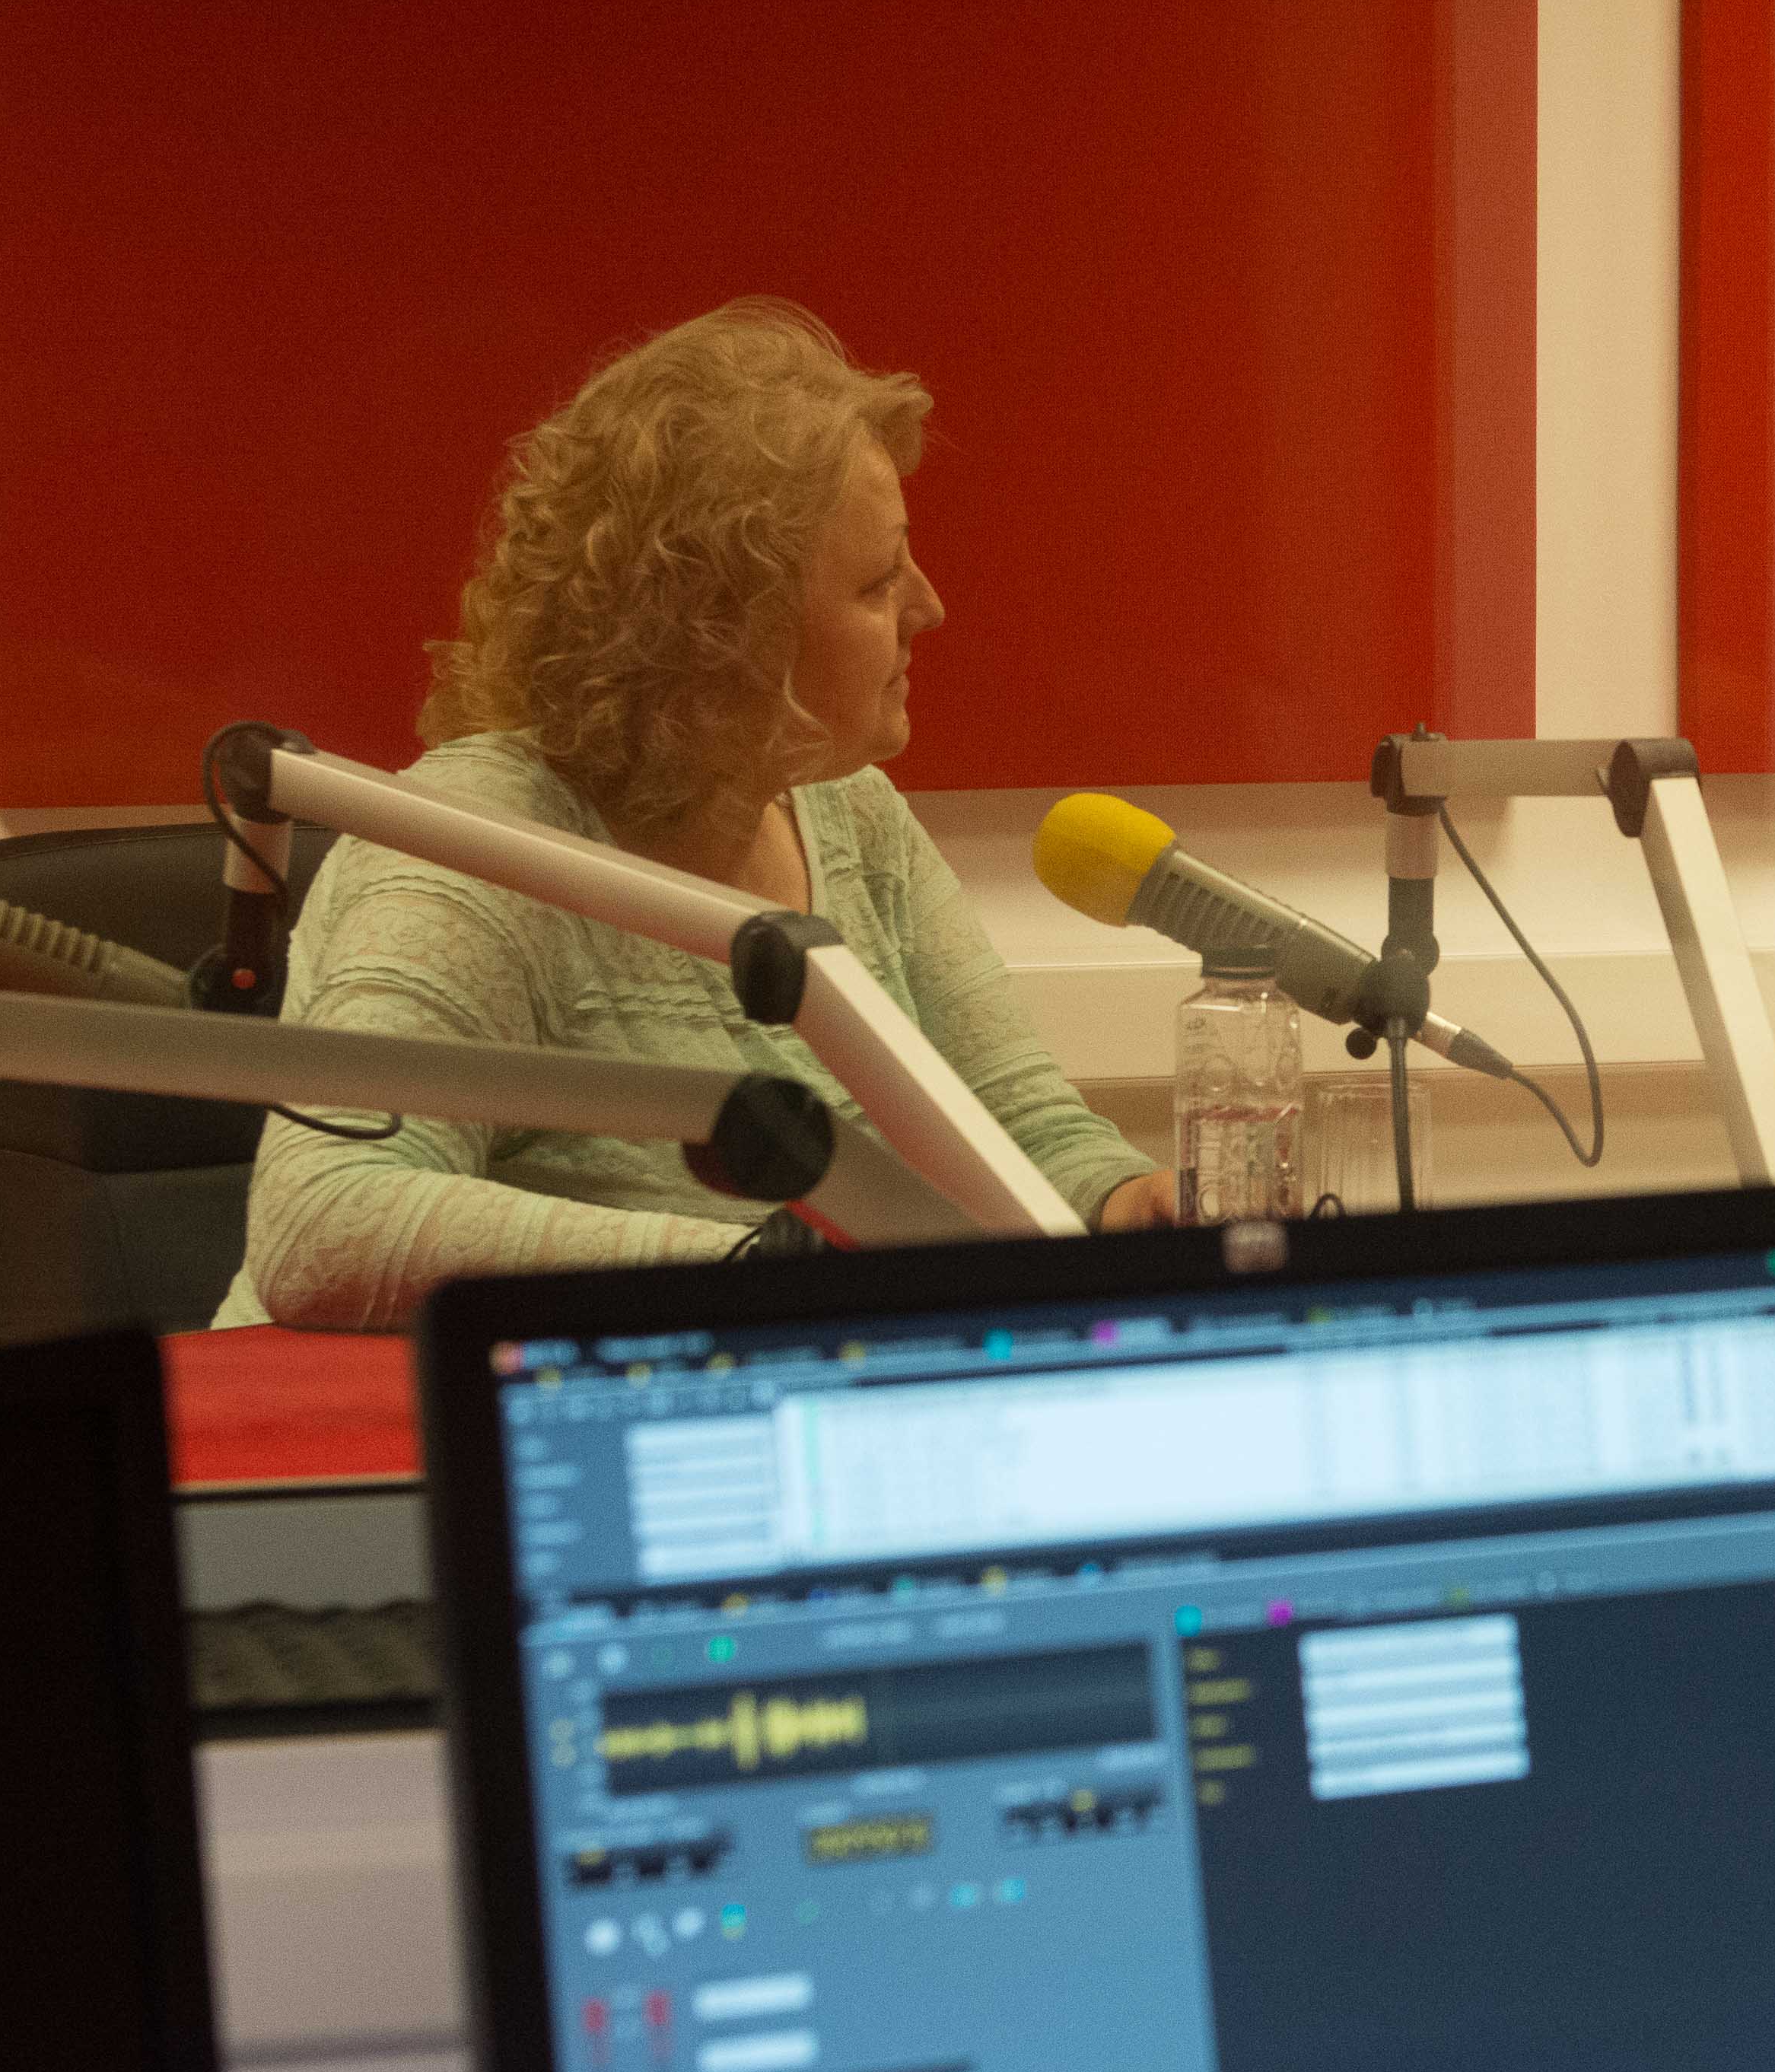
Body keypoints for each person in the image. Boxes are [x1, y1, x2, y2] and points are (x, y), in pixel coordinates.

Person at [219, 301, 1169, 1331]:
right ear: (727, 635)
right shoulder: (472, 847)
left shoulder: (850, 817)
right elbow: (328, 1223)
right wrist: (761, 1270)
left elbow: (1017, 1131)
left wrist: (1127, 1201)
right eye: (877, 582)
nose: (929, 607)